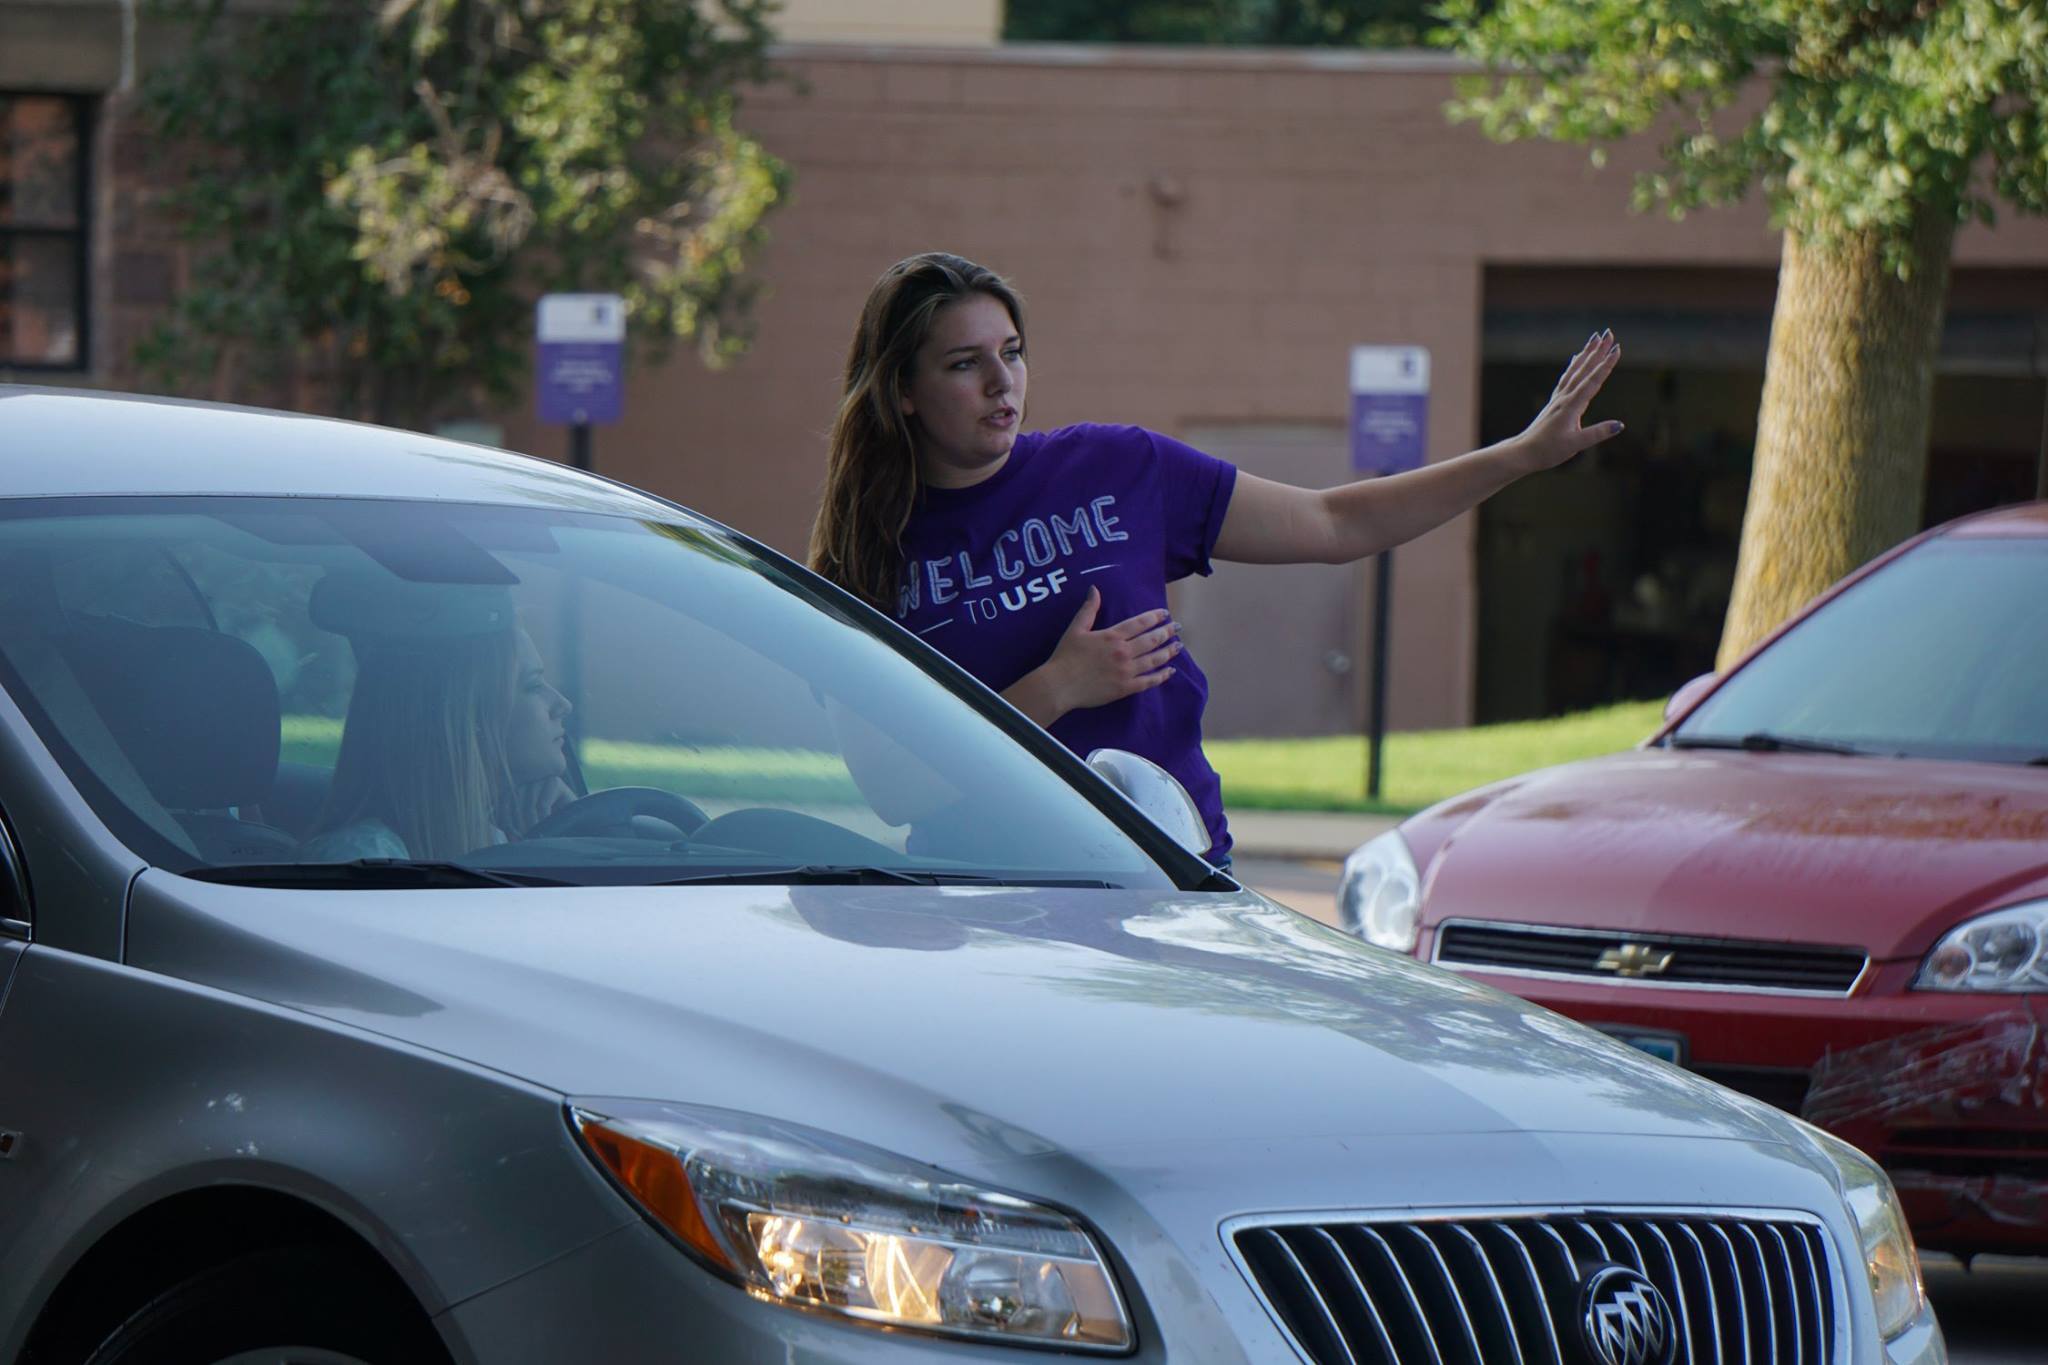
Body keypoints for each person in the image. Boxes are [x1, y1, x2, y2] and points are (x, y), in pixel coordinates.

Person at [810, 252, 1622, 864]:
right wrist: (1057, 688)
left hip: (1169, 872)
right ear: (902, 390)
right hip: (986, 893)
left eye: (1012, 351)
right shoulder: (870, 552)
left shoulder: (1117, 467)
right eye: (964, 363)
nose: (1002, 381)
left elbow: (1335, 522)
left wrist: (1517, 457)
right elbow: (892, 788)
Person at [302, 578, 574, 862]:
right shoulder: (365, 859)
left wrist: (574, 821)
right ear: (467, 719)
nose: (562, 705)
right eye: (532, 686)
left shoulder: (496, 838)